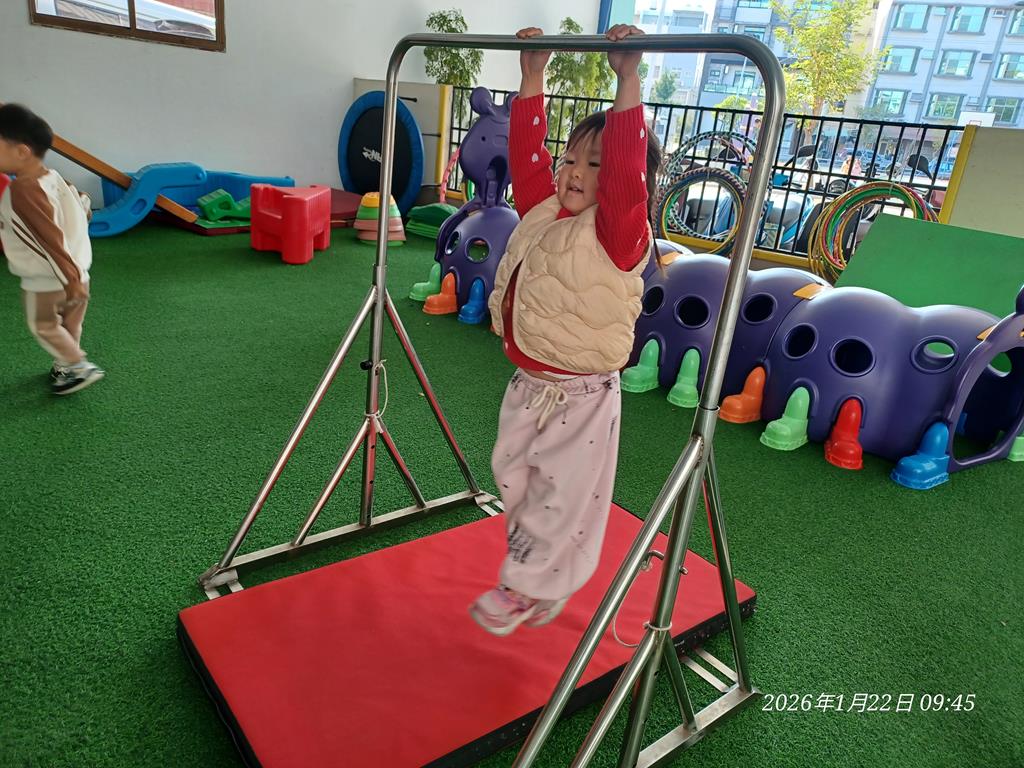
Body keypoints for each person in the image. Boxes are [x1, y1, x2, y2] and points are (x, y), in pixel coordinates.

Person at [469, 24, 663, 636]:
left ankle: (526, 587)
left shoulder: (620, 233)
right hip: (529, 381)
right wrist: (533, 75)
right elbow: (528, 154)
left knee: (558, 497)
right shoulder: (545, 209)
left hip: (580, 395)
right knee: (514, 480)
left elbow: (627, 173)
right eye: (571, 159)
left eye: (593, 164)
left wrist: (628, 80)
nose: (576, 172)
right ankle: (544, 579)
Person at [0, 103, 104, 395]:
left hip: (48, 280)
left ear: (22, 151)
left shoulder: (23, 190)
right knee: (70, 326)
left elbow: (48, 238)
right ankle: (65, 367)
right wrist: (75, 277)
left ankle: (77, 366)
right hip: (79, 273)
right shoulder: (54, 177)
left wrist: (68, 279)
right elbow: (82, 202)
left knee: (44, 325)